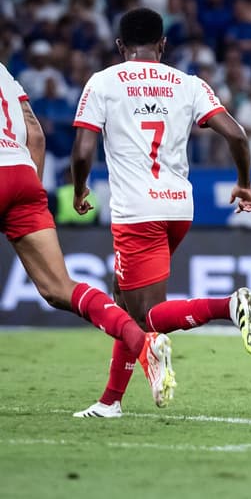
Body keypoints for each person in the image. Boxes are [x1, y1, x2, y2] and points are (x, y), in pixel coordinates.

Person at [70, 7, 251, 418]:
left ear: (120, 46)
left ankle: (226, 305)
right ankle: (110, 402)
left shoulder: (103, 82)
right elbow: (237, 134)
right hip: (178, 206)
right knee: (126, 304)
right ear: (163, 44)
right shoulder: (189, 84)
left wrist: (80, 187)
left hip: (136, 211)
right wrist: (244, 182)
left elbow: (83, 150)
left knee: (143, 316)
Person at [0, 61, 175, 409]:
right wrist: (28, 190)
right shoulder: (4, 71)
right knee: (58, 289)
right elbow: (35, 133)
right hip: (21, 174)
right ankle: (142, 344)